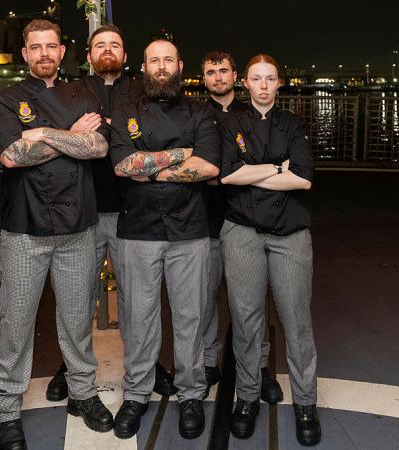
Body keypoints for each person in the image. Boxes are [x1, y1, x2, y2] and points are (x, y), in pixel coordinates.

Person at [0, 19, 113, 450]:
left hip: (79, 226)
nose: (44, 53)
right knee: (15, 325)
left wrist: (41, 134)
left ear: (63, 52)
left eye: (51, 46)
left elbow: (98, 147)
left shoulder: (85, 92)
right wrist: (70, 135)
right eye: (35, 47)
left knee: (78, 320)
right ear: (25, 54)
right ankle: (7, 410)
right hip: (25, 228)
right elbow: (11, 157)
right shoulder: (5, 100)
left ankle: (83, 393)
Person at [44, 24, 178, 403]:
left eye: (114, 45)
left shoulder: (141, 89)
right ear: (88, 55)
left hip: (131, 211)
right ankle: (70, 366)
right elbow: (57, 134)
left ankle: (149, 365)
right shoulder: (69, 91)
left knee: (138, 299)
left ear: (125, 54)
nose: (107, 50)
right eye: (99, 45)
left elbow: (144, 135)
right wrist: (72, 131)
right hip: (82, 210)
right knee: (78, 299)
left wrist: (98, 129)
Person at [109, 38, 221, 440]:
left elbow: (207, 166)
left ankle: (191, 392)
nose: (160, 66)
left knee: (190, 316)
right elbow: (123, 165)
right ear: (143, 66)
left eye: (167, 60)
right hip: (138, 230)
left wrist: (150, 166)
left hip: (190, 230)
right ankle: (136, 393)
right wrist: (180, 154)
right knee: (139, 317)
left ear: (179, 66)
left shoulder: (200, 111)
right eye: (154, 60)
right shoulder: (126, 111)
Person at [219, 53, 320, 445]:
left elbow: (305, 180)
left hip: (290, 234)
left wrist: (255, 171)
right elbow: (229, 175)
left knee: (296, 321)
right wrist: (280, 168)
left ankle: (306, 404)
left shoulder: (294, 124)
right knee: (245, 320)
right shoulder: (231, 123)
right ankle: (246, 398)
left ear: (279, 84)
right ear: (246, 83)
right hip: (242, 232)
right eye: (256, 79)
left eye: (270, 79)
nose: (263, 85)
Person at [200, 50, 284, 402]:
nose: (218, 77)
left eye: (223, 71)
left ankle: (261, 366)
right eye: (210, 72)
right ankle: (206, 362)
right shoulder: (197, 114)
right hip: (204, 219)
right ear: (203, 78)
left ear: (236, 75)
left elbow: (268, 162)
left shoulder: (252, 114)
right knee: (204, 296)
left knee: (253, 300)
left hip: (247, 218)